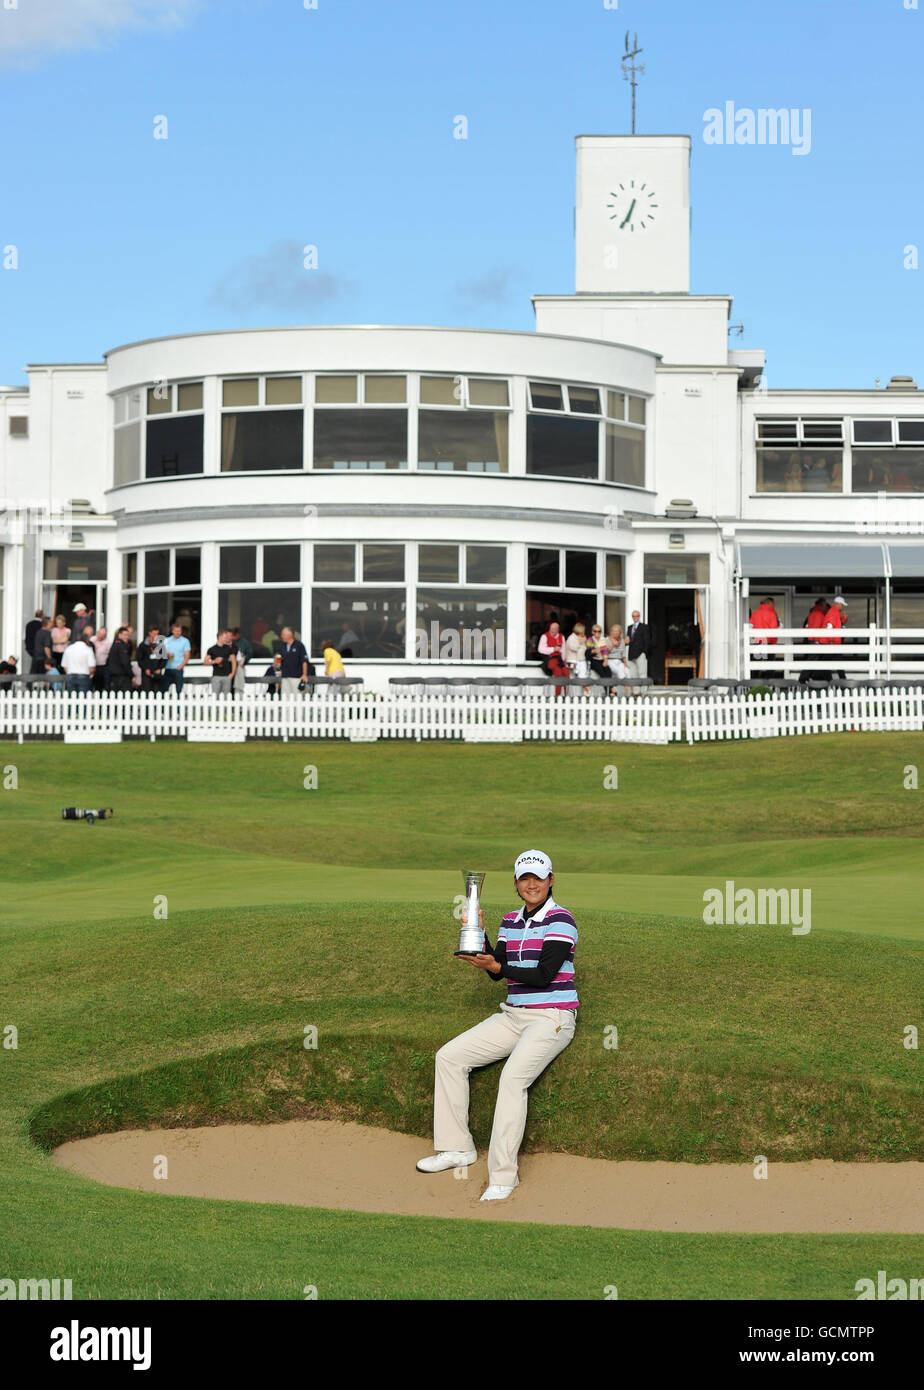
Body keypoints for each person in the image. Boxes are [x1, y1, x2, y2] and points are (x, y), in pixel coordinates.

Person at [416, 850, 578, 1203]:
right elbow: (498, 968)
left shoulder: (561, 919)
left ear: (551, 880)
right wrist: (477, 934)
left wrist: (498, 966)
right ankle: (457, 1149)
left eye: (538, 878)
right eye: (525, 879)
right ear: (517, 883)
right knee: (449, 1056)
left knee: (512, 1079)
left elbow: (543, 975)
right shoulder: (511, 920)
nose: (531, 884)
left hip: (552, 1017)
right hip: (514, 1015)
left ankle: (504, 1176)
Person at [274, 626, 309, 696]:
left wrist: (304, 674)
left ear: (290, 635)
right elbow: (278, 659)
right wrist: (278, 671)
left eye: (283, 634)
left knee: (297, 698)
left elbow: (304, 661)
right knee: (285, 698)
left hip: (296, 677)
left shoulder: (299, 645)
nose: (281, 636)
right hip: (285, 677)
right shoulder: (282, 646)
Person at [819, 595, 848, 680]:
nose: (842, 607)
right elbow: (829, 627)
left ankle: (833, 680)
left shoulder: (834, 612)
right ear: (838, 604)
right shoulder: (833, 613)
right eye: (842, 605)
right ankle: (834, 680)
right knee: (827, 662)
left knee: (828, 662)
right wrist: (831, 640)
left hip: (832, 643)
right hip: (831, 643)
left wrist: (845, 620)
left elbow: (837, 624)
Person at [538, 621, 569, 695]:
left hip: (560, 659)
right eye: (551, 629)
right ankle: (557, 696)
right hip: (551, 659)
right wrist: (553, 649)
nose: (552, 631)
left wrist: (563, 661)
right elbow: (540, 649)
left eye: (554, 629)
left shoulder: (561, 636)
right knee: (558, 674)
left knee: (566, 673)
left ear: (558, 629)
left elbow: (563, 650)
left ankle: (566, 695)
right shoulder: (545, 636)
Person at [748, 597, 780, 666]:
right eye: (773, 603)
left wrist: (754, 637)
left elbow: (750, 627)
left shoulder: (754, 614)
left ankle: (755, 676)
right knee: (770, 663)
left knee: (756, 663)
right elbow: (775, 628)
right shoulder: (772, 614)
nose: (774, 605)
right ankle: (768, 677)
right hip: (770, 641)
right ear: (769, 603)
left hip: (758, 641)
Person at [162, 620, 191, 695]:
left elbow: (187, 656)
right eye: (176, 631)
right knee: (164, 689)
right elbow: (161, 655)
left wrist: (180, 666)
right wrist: (167, 655)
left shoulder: (185, 641)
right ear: (172, 631)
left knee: (179, 690)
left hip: (178, 669)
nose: (178, 632)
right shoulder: (166, 640)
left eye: (179, 631)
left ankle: (178, 706)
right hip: (168, 668)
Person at [205, 629, 236, 695]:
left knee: (226, 697)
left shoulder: (229, 648)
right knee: (215, 696)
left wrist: (232, 673)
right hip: (216, 676)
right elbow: (205, 662)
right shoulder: (212, 649)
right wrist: (214, 661)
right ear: (220, 637)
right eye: (225, 637)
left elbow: (234, 661)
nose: (226, 639)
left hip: (227, 676)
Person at [137, 625, 167, 693]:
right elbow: (140, 659)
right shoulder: (143, 645)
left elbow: (164, 659)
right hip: (146, 674)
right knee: (146, 692)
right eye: (154, 634)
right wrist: (145, 669)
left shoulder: (160, 645)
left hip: (157, 674)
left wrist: (160, 668)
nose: (156, 636)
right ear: (150, 633)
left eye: (157, 634)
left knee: (157, 692)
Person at [106, 626, 135, 693]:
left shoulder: (115, 644)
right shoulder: (121, 646)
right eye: (125, 635)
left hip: (114, 677)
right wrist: (132, 675)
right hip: (122, 677)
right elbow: (125, 662)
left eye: (128, 635)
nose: (127, 637)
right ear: (119, 635)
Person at [626, 610, 651, 680]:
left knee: (642, 673)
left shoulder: (644, 627)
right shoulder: (630, 627)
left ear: (639, 617)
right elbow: (628, 640)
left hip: (640, 653)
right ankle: (636, 690)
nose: (635, 617)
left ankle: (643, 690)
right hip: (631, 653)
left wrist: (644, 652)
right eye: (633, 616)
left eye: (637, 616)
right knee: (633, 673)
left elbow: (647, 640)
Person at [230, 627, 253, 696]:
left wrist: (245, 659)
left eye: (233, 636)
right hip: (229, 667)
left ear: (237, 635)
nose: (232, 638)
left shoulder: (244, 642)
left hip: (239, 666)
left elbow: (250, 653)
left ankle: (238, 698)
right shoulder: (229, 642)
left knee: (238, 684)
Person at [91, 627, 112, 691]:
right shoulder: (92, 639)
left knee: (104, 685)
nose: (100, 636)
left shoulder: (108, 643)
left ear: (105, 635)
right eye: (99, 633)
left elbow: (110, 654)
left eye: (103, 635)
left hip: (103, 666)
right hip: (93, 666)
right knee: (94, 685)